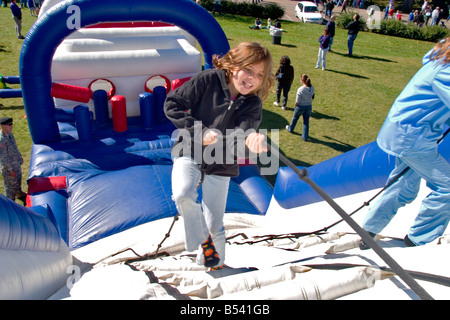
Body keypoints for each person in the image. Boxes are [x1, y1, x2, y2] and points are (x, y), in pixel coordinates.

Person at [164, 42, 274, 270]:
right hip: (190, 149)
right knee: (183, 194)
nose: (252, 78)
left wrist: (251, 139)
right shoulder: (207, 80)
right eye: (249, 70)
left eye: (259, 75)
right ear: (233, 66)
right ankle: (200, 240)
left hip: (222, 160)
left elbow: (245, 130)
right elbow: (173, 104)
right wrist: (199, 132)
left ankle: (215, 265)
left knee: (215, 225)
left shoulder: (252, 103)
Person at [360, 37, 450, 249]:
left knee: (403, 185)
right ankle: (418, 241)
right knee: (447, 187)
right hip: (412, 137)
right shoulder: (446, 71)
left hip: (406, 132)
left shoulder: (440, 60)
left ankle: (368, 230)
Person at [0, 117, 26, 204]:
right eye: (9, 125)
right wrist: (10, 170)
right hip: (9, 168)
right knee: (10, 189)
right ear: (3, 126)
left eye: (12, 124)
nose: (11, 126)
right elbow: (3, 158)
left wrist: (19, 156)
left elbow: (14, 147)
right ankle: (10, 205)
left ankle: (19, 193)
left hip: (15, 163)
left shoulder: (9, 134)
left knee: (17, 182)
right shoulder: (1, 140)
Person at [286, 74, 315, 141]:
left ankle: (290, 129)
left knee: (295, 118)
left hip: (300, 107)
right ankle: (305, 136)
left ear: (302, 81)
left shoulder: (300, 89)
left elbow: (298, 100)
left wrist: (295, 105)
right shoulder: (312, 88)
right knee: (306, 121)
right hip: (308, 106)